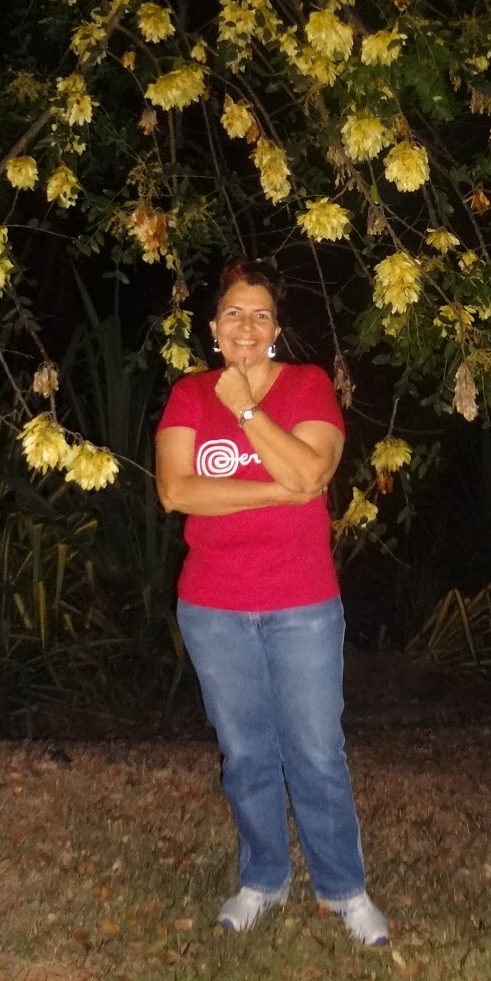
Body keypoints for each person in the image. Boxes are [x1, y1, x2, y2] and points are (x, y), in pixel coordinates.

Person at [155, 259, 389, 945]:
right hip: (213, 606)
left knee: (316, 750)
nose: (246, 326)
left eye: (260, 315)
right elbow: (178, 491)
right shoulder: (188, 394)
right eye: (234, 313)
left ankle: (344, 890)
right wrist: (277, 490)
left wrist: (246, 409)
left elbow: (312, 471)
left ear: (276, 330)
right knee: (245, 753)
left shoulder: (308, 386)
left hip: (301, 602)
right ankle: (263, 878)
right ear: (213, 326)